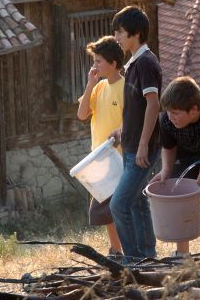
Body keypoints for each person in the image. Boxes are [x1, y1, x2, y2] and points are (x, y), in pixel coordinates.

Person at [149, 76, 200, 255]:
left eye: (176, 113)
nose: (171, 118)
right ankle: (182, 252)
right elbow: (168, 148)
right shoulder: (166, 119)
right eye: (168, 112)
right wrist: (166, 170)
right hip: (185, 156)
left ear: (194, 110)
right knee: (180, 191)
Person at [109, 6, 161, 260]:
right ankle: (147, 257)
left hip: (142, 149)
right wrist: (122, 131)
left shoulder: (146, 63)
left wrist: (143, 145)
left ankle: (132, 260)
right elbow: (137, 108)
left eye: (120, 32)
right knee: (139, 204)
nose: (117, 37)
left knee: (118, 205)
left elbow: (153, 104)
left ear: (136, 33)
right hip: (130, 145)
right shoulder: (133, 64)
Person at [77, 36, 124, 256]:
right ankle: (116, 249)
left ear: (113, 63)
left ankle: (123, 248)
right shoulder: (99, 87)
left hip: (119, 157)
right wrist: (90, 85)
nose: (95, 66)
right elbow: (82, 114)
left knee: (118, 208)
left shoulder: (126, 87)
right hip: (98, 157)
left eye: (99, 61)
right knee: (105, 209)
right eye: (94, 61)